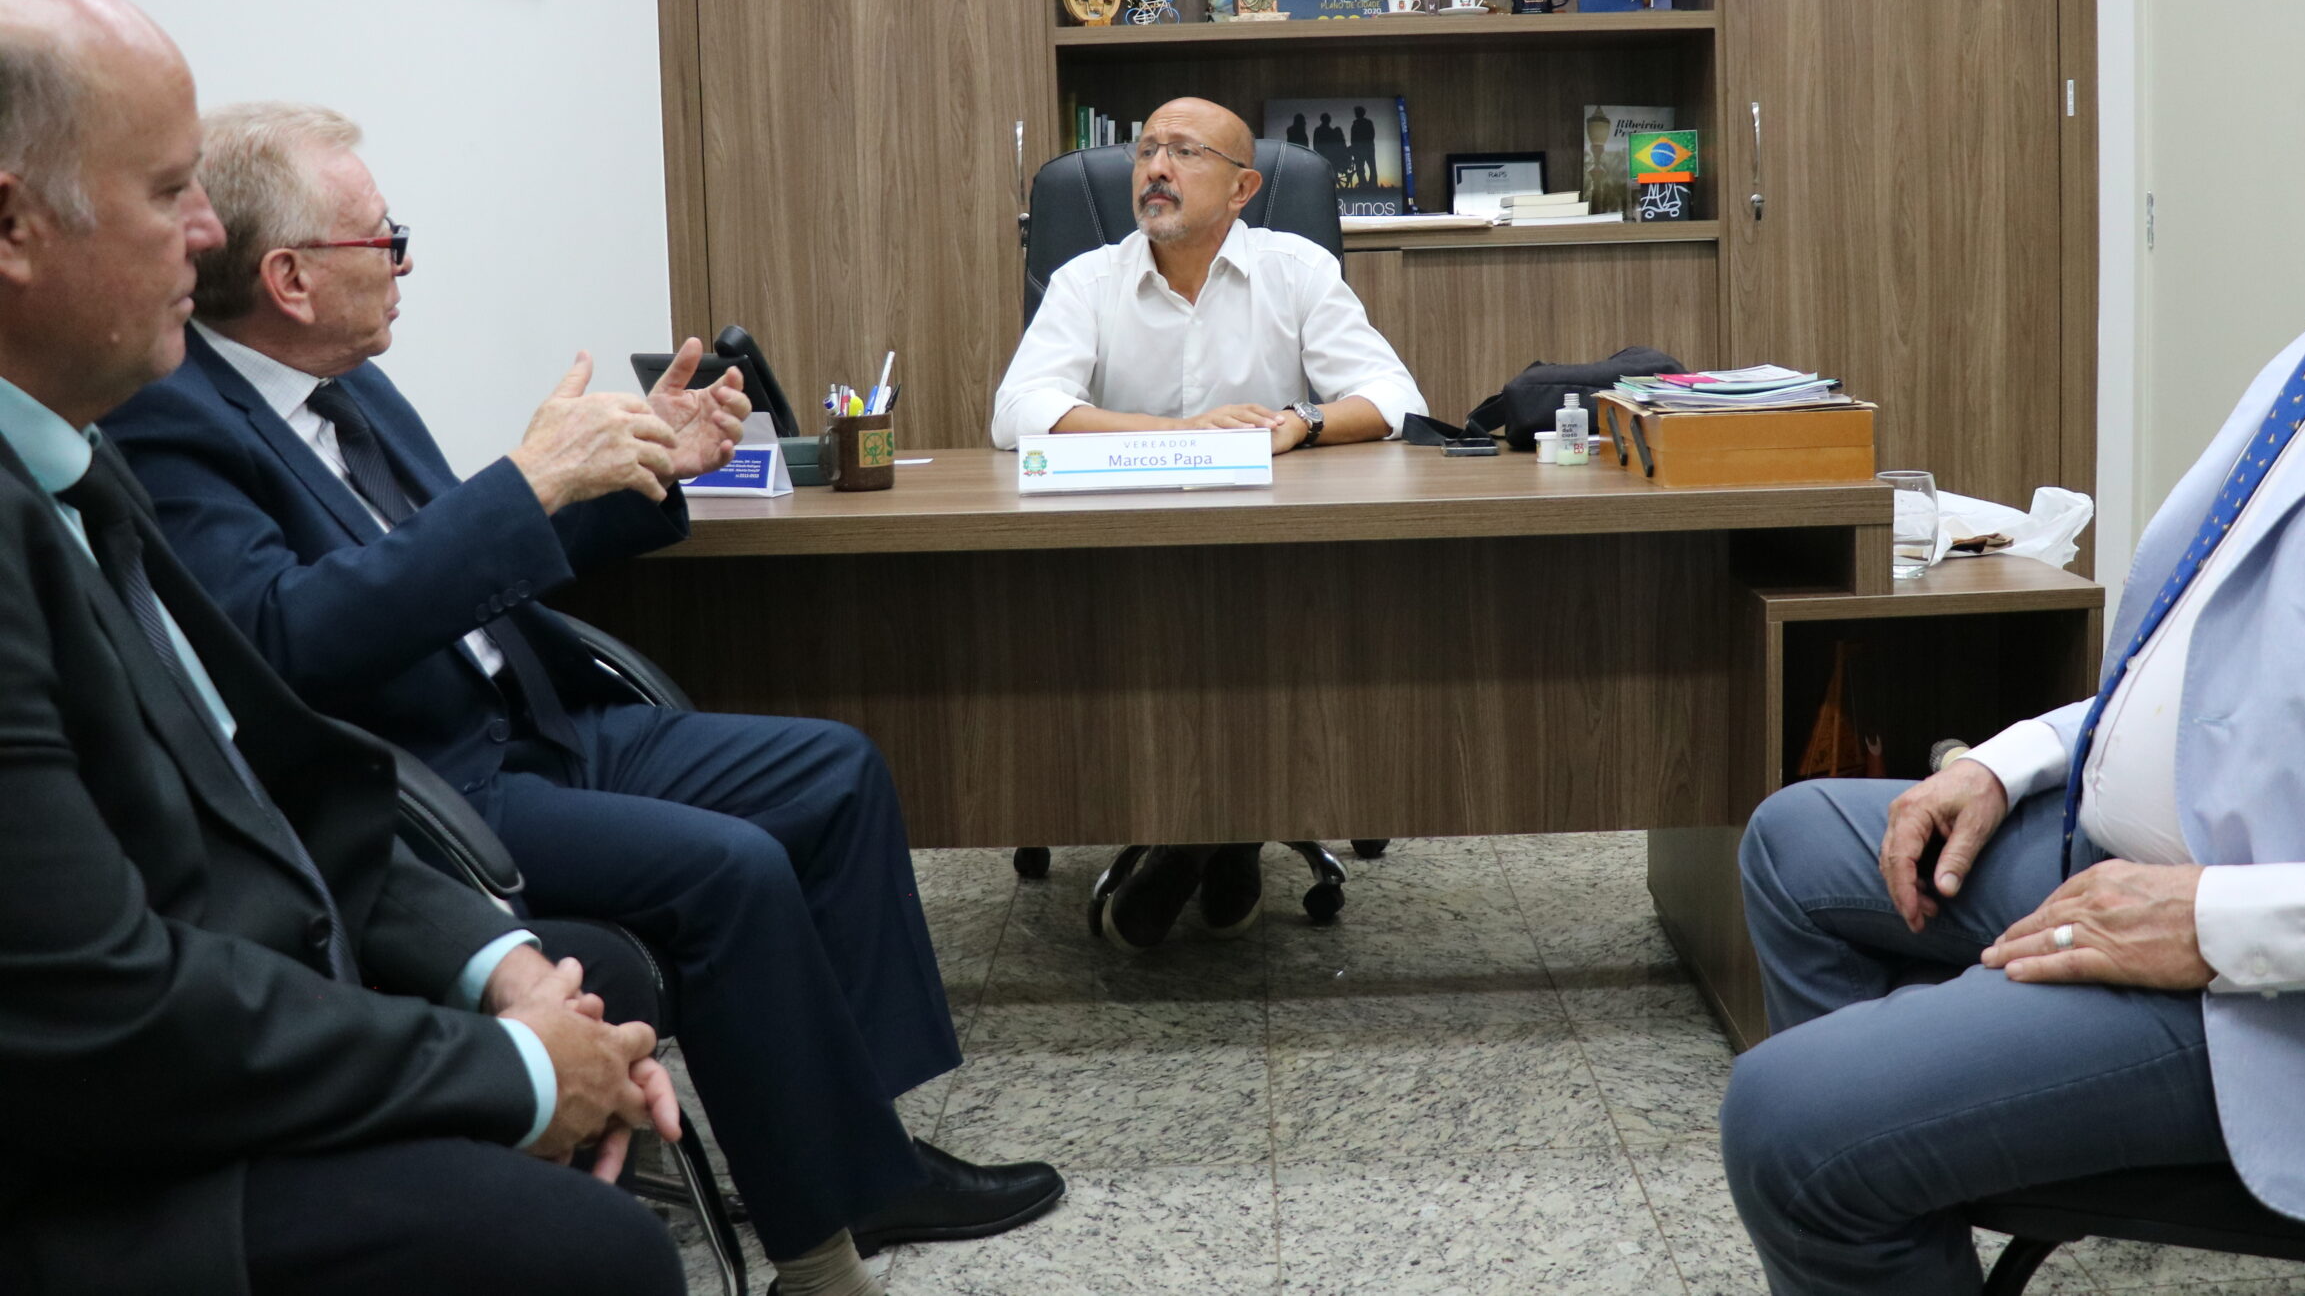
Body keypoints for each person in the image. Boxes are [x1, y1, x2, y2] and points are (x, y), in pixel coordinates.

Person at [1722, 0, 2305, 1296]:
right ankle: (1954, 1143)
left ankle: (1903, 1140)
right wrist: (2009, 755)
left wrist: (2217, 923)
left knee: (1791, 1122)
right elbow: (2215, 626)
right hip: (2128, 852)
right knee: (1803, 841)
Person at [101, 103, 1062, 1296]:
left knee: (834, 769)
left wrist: (648, 463)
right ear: (292, 278)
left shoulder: (347, 383)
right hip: (442, 784)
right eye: (381, 242)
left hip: (545, 717)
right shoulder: (175, 421)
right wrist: (524, 478)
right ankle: (823, 1235)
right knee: (733, 870)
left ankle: (860, 1142)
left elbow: (471, 548)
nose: (405, 264)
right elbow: (290, 641)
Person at [0, 0, 687, 1296]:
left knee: (594, 962)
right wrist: (517, 1067)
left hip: (271, 970)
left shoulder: (85, 455)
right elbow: (107, 1007)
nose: (206, 234)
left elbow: (280, 768)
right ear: (14, 227)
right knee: (594, 1256)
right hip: (108, 1163)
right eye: (163, 191)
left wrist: (495, 970)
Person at [988, 96, 1425, 949]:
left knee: (1254, 640)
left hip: (1275, 564)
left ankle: (1204, 837)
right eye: (1145, 150)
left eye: (1184, 153)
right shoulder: (1090, 279)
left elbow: (1398, 400)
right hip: (1123, 561)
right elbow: (1019, 412)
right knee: (1179, 645)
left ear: (1242, 188)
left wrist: (1302, 419)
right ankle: (1226, 835)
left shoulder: (1295, 270)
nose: (1154, 168)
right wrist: (1181, 433)